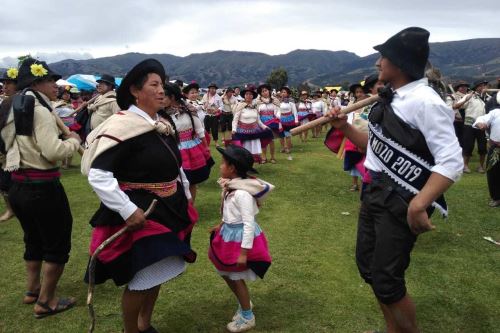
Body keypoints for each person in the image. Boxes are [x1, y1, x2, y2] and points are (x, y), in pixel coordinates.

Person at [328, 27, 463, 333]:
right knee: (370, 270)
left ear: (399, 64)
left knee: (388, 280)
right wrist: (344, 128)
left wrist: (420, 203)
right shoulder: (388, 98)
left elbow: (451, 161)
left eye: (383, 57)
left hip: (399, 198)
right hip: (372, 191)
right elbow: (374, 147)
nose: (378, 63)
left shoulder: (426, 102)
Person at [81, 59, 197, 333]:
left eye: (162, 84)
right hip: (142, 212)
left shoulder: (159, 124)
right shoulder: (123, 127)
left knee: (159, 270)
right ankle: (130, 330)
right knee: (143, 276)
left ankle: (144, 324)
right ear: (135, 90)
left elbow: (175, 164)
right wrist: (126, 210)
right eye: (154, 85)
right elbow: (98, 174)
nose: (161, 90)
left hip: (169, 207)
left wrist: (184, 189)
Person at [1, 57, 81, 317]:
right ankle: (46, 301)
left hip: (18, 186)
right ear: (37, 82)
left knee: (33, 238)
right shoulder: (40, 110)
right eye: (51, 80)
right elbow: (52, 151)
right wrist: (73, 141)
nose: (55, 85)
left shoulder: (10, 107)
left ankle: (32, 290)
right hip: (42, 187)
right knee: (57, 244)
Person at [209, 144, 273, 333]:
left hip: (240, 239)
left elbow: (248, 223)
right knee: (225, 272)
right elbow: (228, 211)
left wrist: (244, 252)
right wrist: (221, 224)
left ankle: (247, 316)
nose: (220, 166)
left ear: (232, 168)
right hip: (228, 234)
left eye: (223, 163)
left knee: (236, 277)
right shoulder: (230, 187)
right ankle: (243, 303)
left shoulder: (242, 194)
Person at [164, 82, 214, 203]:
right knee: (176, 181)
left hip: (190, 148)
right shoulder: (160, 113)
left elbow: (199, 129)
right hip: (172, 149)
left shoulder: (188, 109)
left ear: (172, 97)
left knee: (191, 180)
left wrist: (206, 147)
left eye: (164, 96)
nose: (161, 98)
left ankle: (191, 207)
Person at [232, 86, 273, 163]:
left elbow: (259, 121)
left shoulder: (255, 107)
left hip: (254, 132)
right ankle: (245, 166)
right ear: (244, 96)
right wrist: (234, 129)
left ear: (252, 96)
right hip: (243, 132)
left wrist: (265, 127)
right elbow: (235, 120)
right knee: (245, 151)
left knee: (253, 151)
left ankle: (251, 165)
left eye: (250, 94)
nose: (248, 96)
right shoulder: (240, 106)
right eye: (247, 94)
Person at [452, 81, 487, 173]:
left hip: (482, 125)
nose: (484, 87)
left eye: (484, 86)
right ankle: (465, 166)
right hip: (469, 125)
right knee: (468, 146)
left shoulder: (488, 98)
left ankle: (481, 166)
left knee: (483, 147)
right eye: (481, 86)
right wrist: (466, 99)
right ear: (477, 88)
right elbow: (455, 106)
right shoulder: (469, 96)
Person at [0, 67, 19, 222]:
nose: (5, 86)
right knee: (4, 182)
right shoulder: (6, 101)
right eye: (4, 83)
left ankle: (14, 209)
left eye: (8, 83)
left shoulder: (22, 100)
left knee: (9, 181)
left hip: (16, 147)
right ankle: (11, 208)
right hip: (5, 147)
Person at [473, 108, 500, 207]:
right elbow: (482, 118)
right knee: (493, 173)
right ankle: (496, 198)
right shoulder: (496, 112)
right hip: (496, 148)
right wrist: (480, 123)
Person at [256, 83, 282, 163]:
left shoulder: (274, 101)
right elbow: (257, 114)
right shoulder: (258, 102)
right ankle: (264, 157)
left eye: (265, 90)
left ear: (269, 91)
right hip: (262, 123)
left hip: (272, 123)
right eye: (262, 91)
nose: (264, 92)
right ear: (260, 93)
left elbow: (278, 111)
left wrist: (277, 117)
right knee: (263, 141)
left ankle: (273, 157)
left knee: (271, 141)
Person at [279, 86, 298, 160]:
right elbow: (277, 111)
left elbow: (295, 112)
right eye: (282, 92)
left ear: (287, 94)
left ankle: (288, 148)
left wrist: (296, 120)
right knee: (281, 135)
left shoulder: (291, 102)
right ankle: (283, 147)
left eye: (284, 92)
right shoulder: (278, 102)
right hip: (280, 120)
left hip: (289, 120)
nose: (283, 93)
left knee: (287, 135)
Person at [202, 82, 224, 147]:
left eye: (213, 88)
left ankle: (216, 142)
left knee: (215, 129)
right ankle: (206, 142)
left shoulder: (218, 97)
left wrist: (217, 110)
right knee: (206, 129)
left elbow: (222, 106)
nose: (212, 90)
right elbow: (202, 104)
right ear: (209, 89)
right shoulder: (205, 96)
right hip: (206, 114)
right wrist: (206, 107)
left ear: (215, 89)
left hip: (214, 115)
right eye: (211, 88)